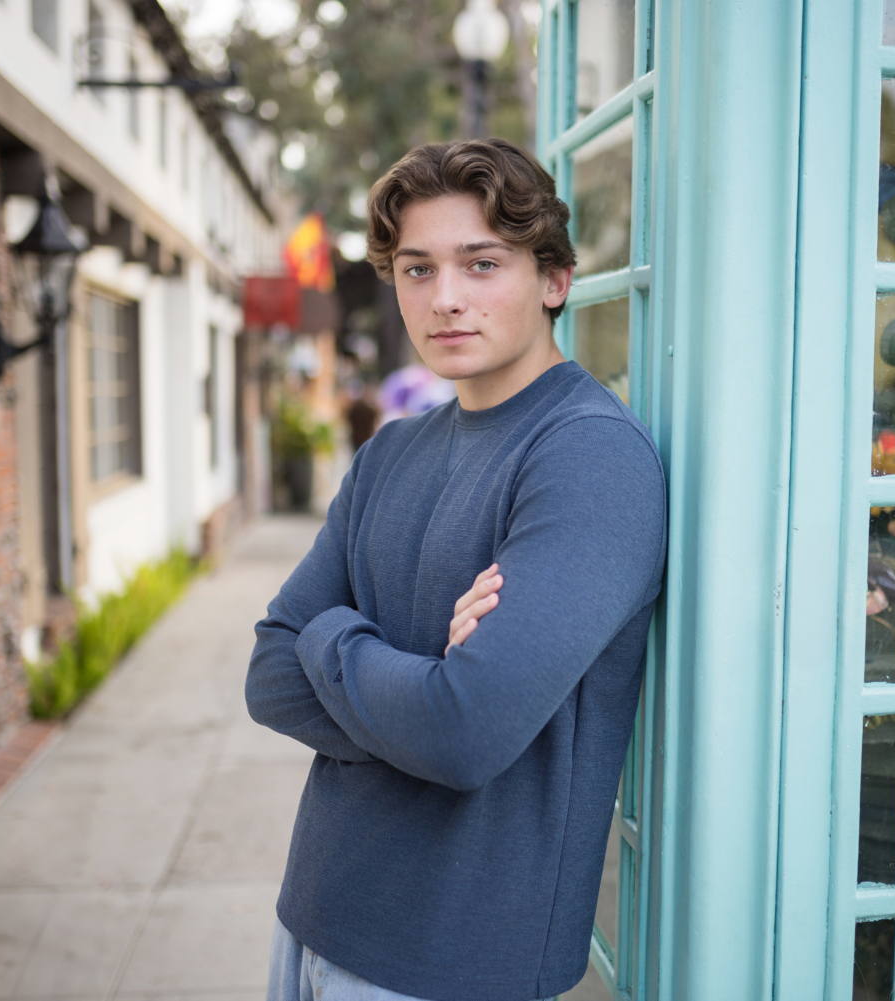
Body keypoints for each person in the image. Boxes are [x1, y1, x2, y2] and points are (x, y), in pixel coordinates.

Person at [245, 137, 667, 1001]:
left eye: (481, 264)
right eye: (417, 269)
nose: (444, 299)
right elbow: (266, 675)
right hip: (314, 917)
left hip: (454, 961)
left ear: (553, 279)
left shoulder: (587, 455)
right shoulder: (390, 451)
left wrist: (330, 633)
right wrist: (414, 673)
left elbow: (463, 731)